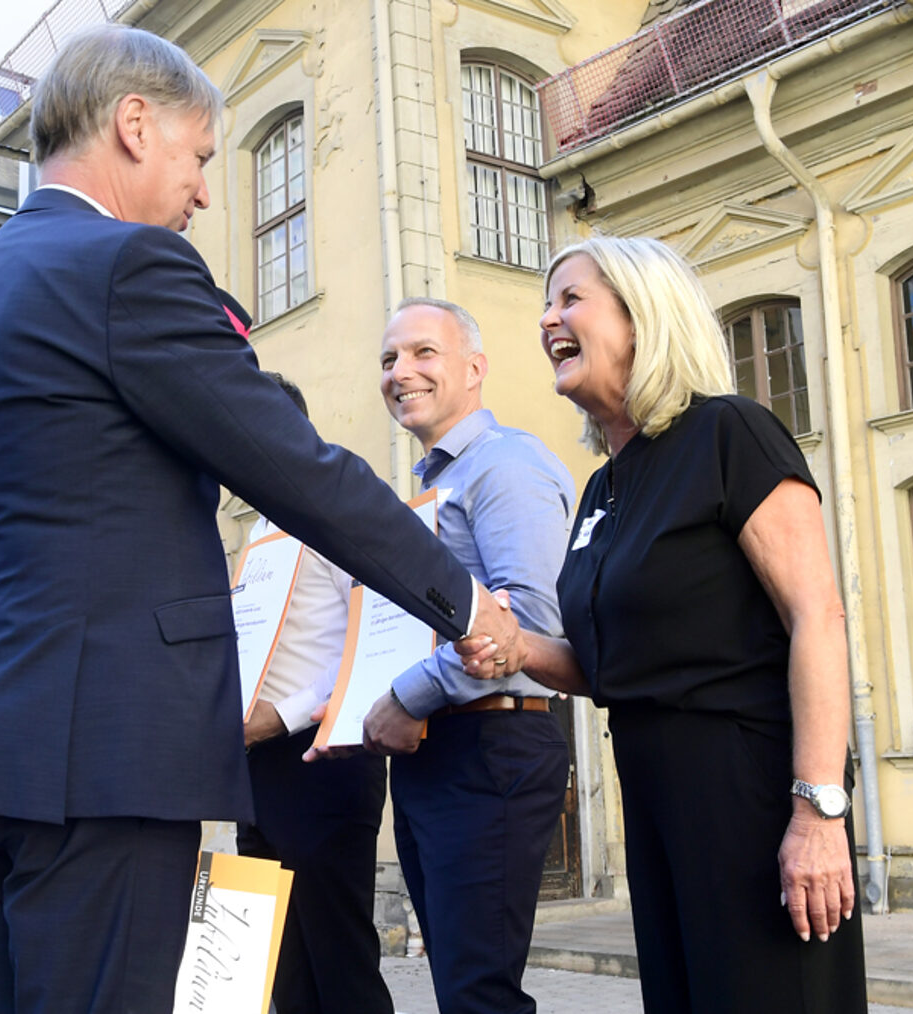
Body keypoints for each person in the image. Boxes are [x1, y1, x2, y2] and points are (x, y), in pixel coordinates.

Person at [0, 25, 523, 1014]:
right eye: (200, 158)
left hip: (0, 752)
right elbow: (297, 470)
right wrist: (462, 600)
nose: (203, 191)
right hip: (102, 762)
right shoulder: (127, 268)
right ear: (133, 123)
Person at [462, 235, 867, 1012]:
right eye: (548, 304)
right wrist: (515, 646)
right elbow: (609, 663)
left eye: (570, 298)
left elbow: (818, 613)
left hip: (748, 791)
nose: (548, 319)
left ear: (642, 316)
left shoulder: (729, 434)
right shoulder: (603, 490)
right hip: (654, 800)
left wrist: (818, 814)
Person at [343, 298, 574, 1014]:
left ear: (474, 369)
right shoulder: (431, 486)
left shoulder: (504, 465)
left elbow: (527, 623)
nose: (400, 373)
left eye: (422, 354)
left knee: (479, 994)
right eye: (388, 359)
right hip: (439, 751)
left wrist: (405, 695)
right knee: (460, 985)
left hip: (493, 745)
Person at [237, 372, 393, 1014]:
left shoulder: (340, 508)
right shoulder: (257, 532)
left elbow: (379, 641)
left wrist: (285, 713)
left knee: (340, 963)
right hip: (257, 769)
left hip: (326, 758)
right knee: (281, 971)